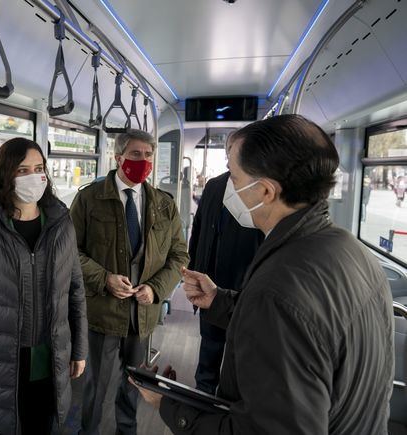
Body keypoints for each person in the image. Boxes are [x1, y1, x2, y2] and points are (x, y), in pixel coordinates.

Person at [133, 115, 394, 434]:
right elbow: (308, 334)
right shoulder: (351, 250)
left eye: (236, 177)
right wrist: (219, 300)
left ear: (266, 191)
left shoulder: (278, 287)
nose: (231, 187)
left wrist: (168, 404)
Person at [0, 138, 88, 435]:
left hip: (52, 354)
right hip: (0, 360)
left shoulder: (61, 223)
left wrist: (79, 349)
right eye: (23, 170)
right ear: (5, 175)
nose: (34, 176)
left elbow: (76, 291)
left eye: (39, 168)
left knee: (42, 426)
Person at [70, 129, 189, 435]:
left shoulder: (164, 204)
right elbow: (70, 253)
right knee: (94, 387)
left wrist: (157, 288)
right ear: (118, 157)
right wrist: (104, 278)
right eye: (136, 154)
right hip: (102, 314)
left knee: (135, 383)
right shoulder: (89, 199)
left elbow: (179, 255)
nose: (144, 161)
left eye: (149, 155)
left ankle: (127, 430)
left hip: (143, 315)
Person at [188, 137, 263, 394]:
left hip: (243, 287)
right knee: (209, 347)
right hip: (210, 283)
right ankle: (204, 395)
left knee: (237, 356)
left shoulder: (258, 192)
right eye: (230, 150)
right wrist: (193, 271)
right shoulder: (214, 186)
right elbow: (198, 231)